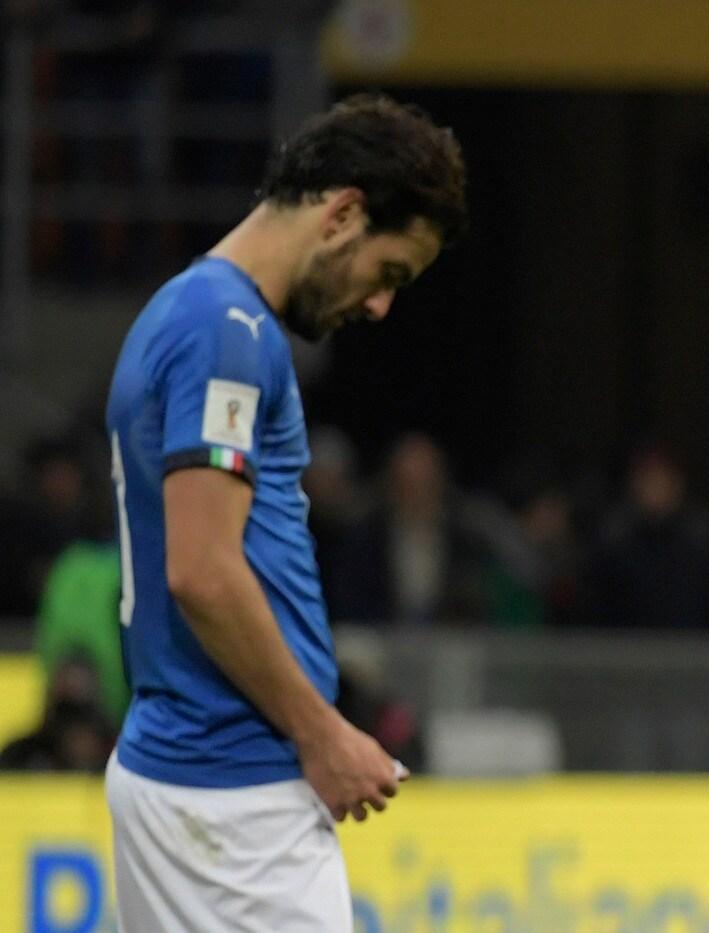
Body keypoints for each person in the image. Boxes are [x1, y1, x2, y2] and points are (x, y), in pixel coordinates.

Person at [103, 94, 466, 931]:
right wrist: (322, 733)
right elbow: (200, 567)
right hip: (233, 802)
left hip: (204, 785)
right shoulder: (223, 329)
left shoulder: (194, 313)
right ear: (343, 214)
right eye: (389, 274)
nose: (379, 307)